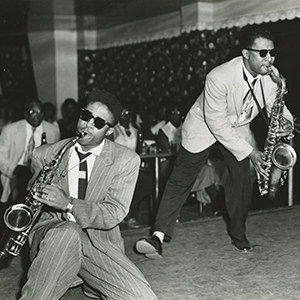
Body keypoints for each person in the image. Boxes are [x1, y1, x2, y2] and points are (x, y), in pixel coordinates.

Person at [135, 26, 295, 258]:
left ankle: (239, 235)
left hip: (237, 128)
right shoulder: (218, 77)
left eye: (272, 52)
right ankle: (157, 236)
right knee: (181, 180)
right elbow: (217, 123)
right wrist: (251, 152)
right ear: (246, 53)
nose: (269, 59)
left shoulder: (272, 77)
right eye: (263, 53)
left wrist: (286, 122)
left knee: (241, 179)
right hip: (205, 126)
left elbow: (276, 107)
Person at [18, 90, 157, 300]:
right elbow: (32, 203)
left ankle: (86, 284)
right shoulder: (44, 154)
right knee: (68, 232)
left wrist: (68, 204)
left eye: (98, 123)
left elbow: (114, 211)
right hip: (55, 236)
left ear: (110, 131)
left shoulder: (126, 160)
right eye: (86, 116)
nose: (87, 125)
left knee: (143, 297)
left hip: (98, 243)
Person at [0, 98, 60, 205]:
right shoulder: (10, 129)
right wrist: (14, 169)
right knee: (18, 200)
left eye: (40, 112)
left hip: (40, 171)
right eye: (32, 112)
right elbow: (1, 155)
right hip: (16, 171)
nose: (37, 115)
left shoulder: (53, 130)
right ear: (25, 114)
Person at [114, 106, 153, 229]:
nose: (126, 116)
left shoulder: (136, 130)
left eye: (128, 113)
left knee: (149, 180)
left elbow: (140, 148)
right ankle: (125, 213)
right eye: (123, 113)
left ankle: (128, 211)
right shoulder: (113, 130)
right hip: (117, 167)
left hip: (133, 166)